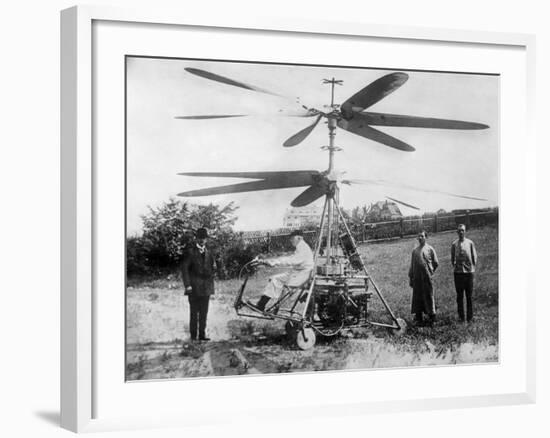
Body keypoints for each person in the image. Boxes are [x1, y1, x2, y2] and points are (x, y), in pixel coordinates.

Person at [249, 230, 314, 312]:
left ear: (299, 238)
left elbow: (292, 260)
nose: (291, 240)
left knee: (287, 288)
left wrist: (275, 262)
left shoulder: (303, 248)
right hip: (297, 272)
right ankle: (261, 305)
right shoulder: (300, 247)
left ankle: (278, 309)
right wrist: (272, 261)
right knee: (275, 279)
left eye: (292, 238)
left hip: (303, 274)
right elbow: (290, 258)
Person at [181, 227, 216, 341]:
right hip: (194, 288)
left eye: (204, 238)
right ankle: (193, 337)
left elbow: (213, 267)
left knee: (204, 313)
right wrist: (188, 285)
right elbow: (185, 270)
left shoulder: (209, 252)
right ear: (196, 239)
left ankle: (202, 335)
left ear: (206, 239)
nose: (202, 240)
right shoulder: (190, 252)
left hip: (206, 288)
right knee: (194, 313)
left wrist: (212, 273)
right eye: (200, 238)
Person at [408, 230, 439, 327]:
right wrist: (411, 277)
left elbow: (436, 263)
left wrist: (430, 271)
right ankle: (419, 318)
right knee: (417, 298)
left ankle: (432, 318)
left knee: (429, 296)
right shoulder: (415, 251)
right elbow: (412, 266)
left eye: (422, 236)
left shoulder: (430, 249)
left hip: (427, 278)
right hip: (417, 279)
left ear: (426, 237)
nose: (420, 238)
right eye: (419, 237)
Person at [451, 224, 478, 322]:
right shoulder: (454, 244)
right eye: (459, 231)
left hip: (469, 273)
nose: (461, 232)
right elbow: (452, 258)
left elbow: (474, 256)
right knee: (459, 296)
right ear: (457, 232)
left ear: (465, 231)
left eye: (462, 230)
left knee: (469, 296)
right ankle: (461, 318)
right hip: (458, 273)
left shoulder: (470, 243)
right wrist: (456, 267)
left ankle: (470, 318)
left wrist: (472, 268)